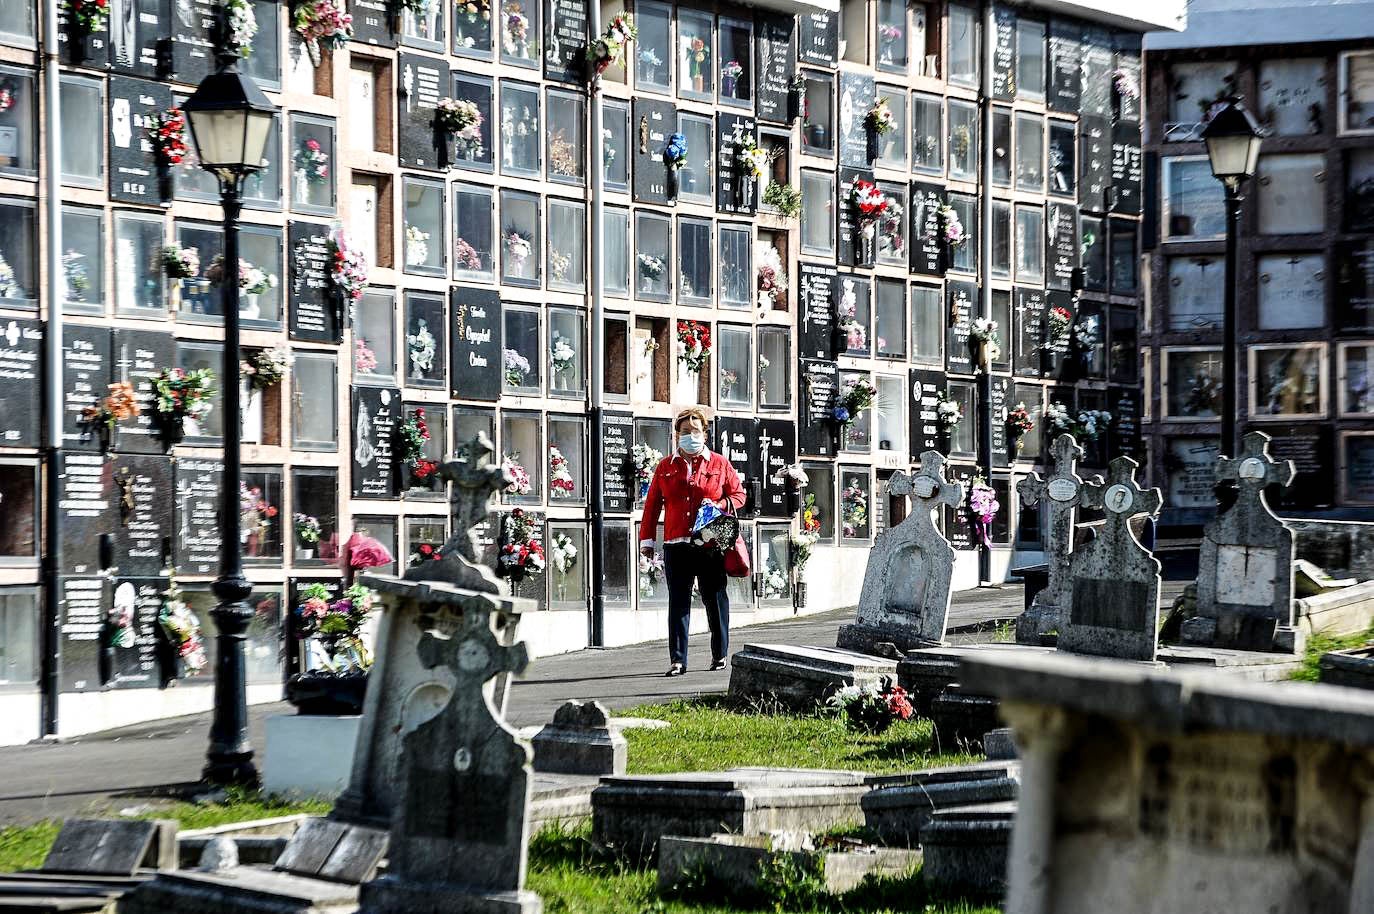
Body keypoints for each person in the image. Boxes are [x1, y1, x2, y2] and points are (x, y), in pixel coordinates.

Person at [640, 407, 746, 677]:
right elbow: (652, 506)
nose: (690, 436)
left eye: (695, 431)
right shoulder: (666, 466)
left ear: (705, 434)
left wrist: (720, 503)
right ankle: (677, 660)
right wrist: (648, 540)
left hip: (710, 543)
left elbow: (739, 496)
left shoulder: (719, 464)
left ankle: (720, 654)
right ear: (676, 435)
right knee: (678, 602)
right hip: (677, 545)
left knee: (715, 597)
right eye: (685, 432)